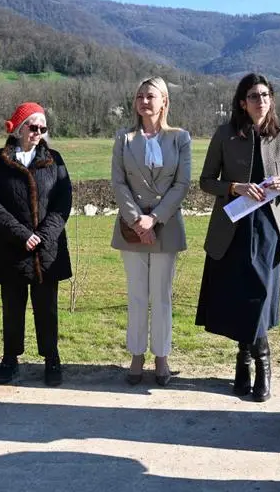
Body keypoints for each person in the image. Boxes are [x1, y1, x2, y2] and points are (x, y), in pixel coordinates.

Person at [196, 73, 280, 402]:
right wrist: (234, 187)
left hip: (267, 230)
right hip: (233, 229)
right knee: (242, 300)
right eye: (254, 96)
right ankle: (245, 362)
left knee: (258, 298)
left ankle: (258, 364)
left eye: (266, 95)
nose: (261, 101)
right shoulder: (225, 135)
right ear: (242, 102)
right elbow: (206, 181)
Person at [0, 102, 73, 387]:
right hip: (10, 247)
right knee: (12, 306)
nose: (38, 133)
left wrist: (44, 235)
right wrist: (21, 234)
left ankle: (51, 358)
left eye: (43, 128)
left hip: (48, 248)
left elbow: (63, 201)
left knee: (47, 308)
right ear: (19, 128)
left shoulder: (54, 159)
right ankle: (10, 359)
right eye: (33, 127)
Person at [111, 77, 192, 386]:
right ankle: (135, 354)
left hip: (166, 227)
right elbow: (118, 183)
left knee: (161, 296)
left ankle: (161, 356)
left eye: (151, 96)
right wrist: (137, 221)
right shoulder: (124, 138)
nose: (144, 101)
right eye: (140, 96)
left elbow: (182, 184)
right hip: (131, 229)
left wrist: (154, 218)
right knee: (136, 294)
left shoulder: (180, 138)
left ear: (164, 102)